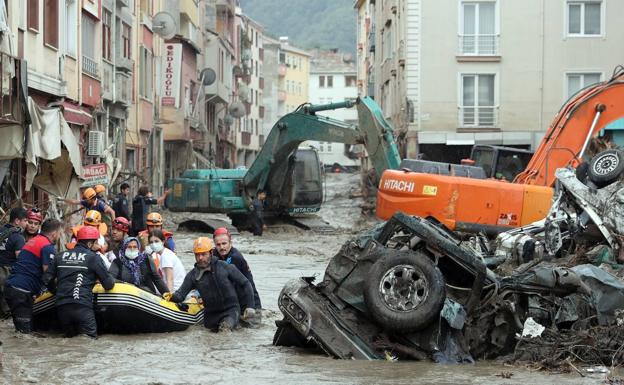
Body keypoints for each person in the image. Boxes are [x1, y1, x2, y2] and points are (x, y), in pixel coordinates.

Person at [164, 237, 255, 332]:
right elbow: (180, 295)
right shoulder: (192, 276)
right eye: (197, 255)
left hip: (230, 311)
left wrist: (250, 306)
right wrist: (169, 296)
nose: (200, 258)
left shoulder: (225, 267)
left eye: (203, 254)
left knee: (225, 329)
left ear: (211, 253)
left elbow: (246, 283)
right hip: (210, 316)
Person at [43, 226, 115, 338]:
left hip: (62, 307)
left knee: (69, 342)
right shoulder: (93, 258)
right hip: (82, 306)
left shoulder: (60, 256)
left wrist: (55, 291)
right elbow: (108, 284)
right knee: (89, 341)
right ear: (91, 243)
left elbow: (46, 279)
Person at [4, 219, 62, 333]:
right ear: (54, 233)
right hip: (21, 291)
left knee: (22, 331)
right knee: (24, 333)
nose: (59, 236)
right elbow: (48, 274)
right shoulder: (47, 247)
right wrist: (56, 291)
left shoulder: (34, 241)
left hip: (13, 287)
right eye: (60, 233)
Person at [213, 227, 261, 309]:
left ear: (230, 242)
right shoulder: (214, 254)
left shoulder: (236, 258)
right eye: (218, 244)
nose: (221, 247)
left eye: (224, 243)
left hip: (249, 303)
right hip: (234, 302)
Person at [0, 207, 28, 318]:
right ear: (17, 221)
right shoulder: (18, 237)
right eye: (25, 221)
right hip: (6, 273)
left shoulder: (1, 230)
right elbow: (20, 259)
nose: (26, 224)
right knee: (8, 312)